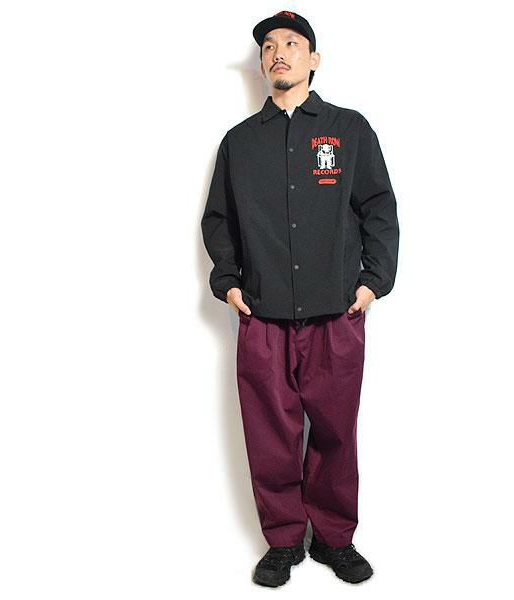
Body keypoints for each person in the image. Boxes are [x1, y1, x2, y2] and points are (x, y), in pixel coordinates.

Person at [201, 10, 400, 587]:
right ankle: (284, 540)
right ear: (262, 63)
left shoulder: (349, 130)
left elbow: (379, 208)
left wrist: (373, 280)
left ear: (313, 59)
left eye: (292, 43)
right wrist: (228, 282)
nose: (278, 52)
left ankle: (335, 539)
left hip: (337, 312)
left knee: (336, 431)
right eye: (269, 45)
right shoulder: (240, 143)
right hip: (261, 315)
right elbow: (219, 220)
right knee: (270, 435)